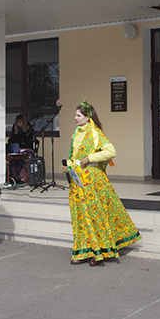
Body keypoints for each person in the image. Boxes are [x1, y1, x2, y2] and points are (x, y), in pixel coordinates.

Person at [62, 100, 140, 266]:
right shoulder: (76, 133)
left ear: (87, 117)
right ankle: (84, 250)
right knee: (81, 217)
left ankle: (99, 251)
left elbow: (111, 151)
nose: (75, 118)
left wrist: (88, 159)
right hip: (78, 182)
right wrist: (69, 165)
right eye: (75, 115)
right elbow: (73, 156)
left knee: (95, 216)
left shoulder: (95, 133)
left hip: (92, 182)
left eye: (78, 115)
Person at [7, 114, 35, 184]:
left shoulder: (30, 130)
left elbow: (30, 142)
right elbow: (11, 140)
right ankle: (13, 177)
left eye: (20, 122)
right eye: (17, 123)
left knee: (24, 157)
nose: (18, 124)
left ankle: (22, 177)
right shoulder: (15, 129)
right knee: (13, 158)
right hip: (18, 149)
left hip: (27, 149)